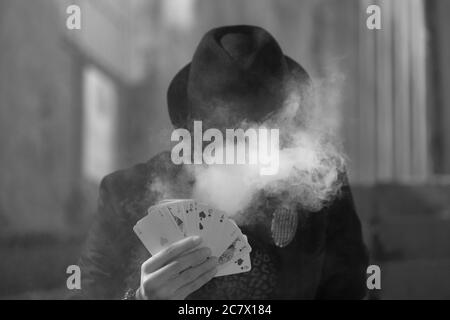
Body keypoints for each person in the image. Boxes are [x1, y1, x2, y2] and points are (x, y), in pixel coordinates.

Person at [75, 25, 369, 300]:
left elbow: (348, 291)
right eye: (228, 136)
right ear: (196, 131)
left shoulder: (319, 191)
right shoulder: (125, 195)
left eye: (258, 135)